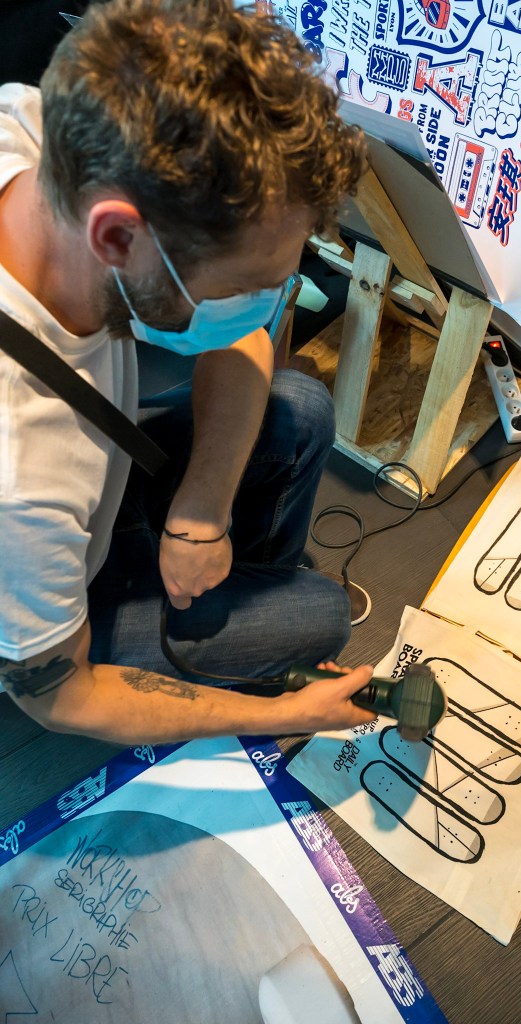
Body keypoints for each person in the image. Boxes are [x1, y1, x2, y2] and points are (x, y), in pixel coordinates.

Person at [0, 0, 377, 743]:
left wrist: (202, 512)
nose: (266, 306)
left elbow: (244, 344)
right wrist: (281, 714)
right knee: (322, 618)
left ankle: (220, 594)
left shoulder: (42, 129)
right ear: (117, 236)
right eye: (244, 286)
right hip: (42, 625)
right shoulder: (20, 476)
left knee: (298, 410)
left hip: (87, 490)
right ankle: (240, 640)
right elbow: (62, 699)